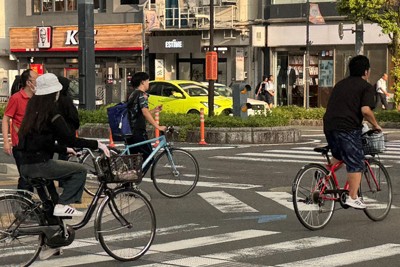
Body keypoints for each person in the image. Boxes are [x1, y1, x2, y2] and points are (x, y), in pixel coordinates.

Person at [17, 73, 110, 218]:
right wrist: (96, 144)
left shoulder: (32, 112)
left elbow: (42, 143)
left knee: (51, 206)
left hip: (25, 165)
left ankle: (53, 227)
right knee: (79, 170)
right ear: (54, 93)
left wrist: (64, 149)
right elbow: (70, 139)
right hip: (40, 165)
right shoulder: (52, 114)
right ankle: (64, 204)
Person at [323, 55, 382, 209]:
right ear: (366, 71)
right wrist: (376, 125)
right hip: (347, 127)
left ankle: (322, 179)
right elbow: (365, 110)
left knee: (338, 156)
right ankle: (353, 197)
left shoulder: (340, 85)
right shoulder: (365, 87)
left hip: (329, 125)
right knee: (356, 161)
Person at [2, 69, 38, 192]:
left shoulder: (37, 98)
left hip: (35, 143)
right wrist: (7, 142)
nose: (38, 81)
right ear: (29, 82)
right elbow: (6, 119)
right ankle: (23, 204)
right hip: (20, 144)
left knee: (34, 176)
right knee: (25, 177)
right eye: (36, 79)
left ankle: (26, 203)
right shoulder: (16, 98)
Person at [126, 72, 166, 175]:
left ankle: (129, 182)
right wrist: (158, 127)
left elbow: (139, 112)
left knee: (133, 159)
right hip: (138, 131)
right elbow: (144, 112)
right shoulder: (141, 95)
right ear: (142, 82)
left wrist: (154, 110)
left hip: (130, 131)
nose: (148, 83)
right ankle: (134, 179)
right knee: (149, 155)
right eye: (147, 81)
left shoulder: (132, 94)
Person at [56, 76, 80, 160]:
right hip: (68, 129)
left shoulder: (56, 99)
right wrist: (76, 125)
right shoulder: (66, 99)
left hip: (58, 131)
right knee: (66, 152)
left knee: (62, 151)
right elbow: (73, 115)